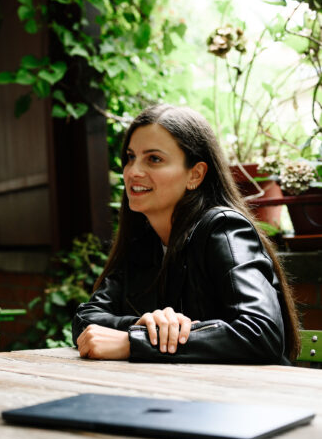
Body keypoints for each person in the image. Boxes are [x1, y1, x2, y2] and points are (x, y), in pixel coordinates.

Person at [73, 104, 300, 364]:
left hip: (248, 398)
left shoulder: (224, 229)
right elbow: (86, 319)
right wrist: (145, 324)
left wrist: (137, 341)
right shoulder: (144, 241)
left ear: (196, 174)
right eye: (130, 157)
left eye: (154, 159)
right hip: (182, 394)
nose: (133, 171)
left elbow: (262, 333)